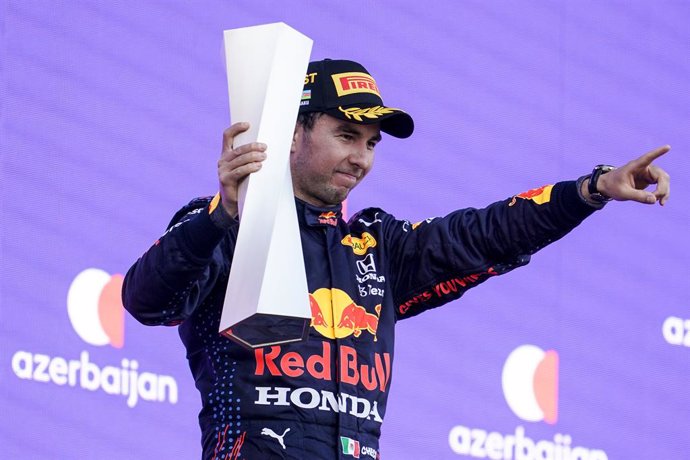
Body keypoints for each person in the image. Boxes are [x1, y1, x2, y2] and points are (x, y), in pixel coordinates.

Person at [122, 58, 670, 460]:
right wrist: (221, 215)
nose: (360, 158)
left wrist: (594, 188)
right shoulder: (222, 222)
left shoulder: (378, 246)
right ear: (292, 134)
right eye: (345, 135)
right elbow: (146, 301)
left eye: (371, 144)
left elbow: (487, 234)